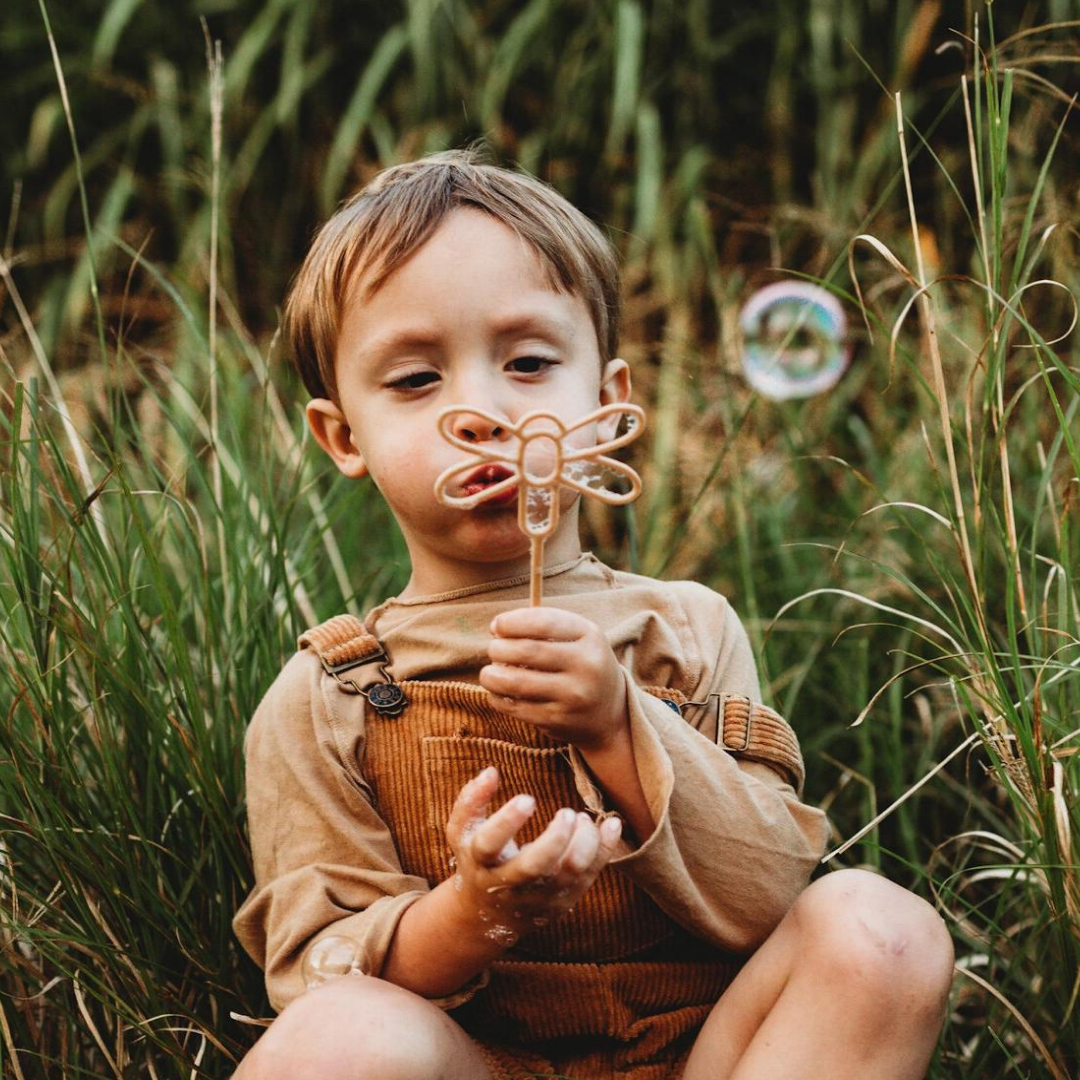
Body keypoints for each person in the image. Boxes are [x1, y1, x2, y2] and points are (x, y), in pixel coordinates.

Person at [232, 150, 954, 1080]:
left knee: (880, 930)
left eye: (529, 363)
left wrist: (621, 722)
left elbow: (766, 892)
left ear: (607, 402)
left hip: (720, 1059)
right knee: (343, 1038)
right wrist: (480, 909)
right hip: (481, 1064)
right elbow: (319, 974)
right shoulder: (328, 693)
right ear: (343, 436)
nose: (484, 411)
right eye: (416, 381)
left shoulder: (686, 632)